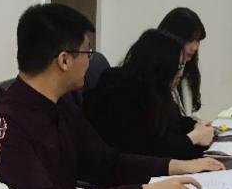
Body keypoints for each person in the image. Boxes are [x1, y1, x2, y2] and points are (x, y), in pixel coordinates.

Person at [0, 4, 223, 189]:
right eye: (87, 52)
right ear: (64, 60)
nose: (89, 60)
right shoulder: (9, 124)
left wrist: (176, 166)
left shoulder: (61, 104)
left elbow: (105, 162)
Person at [85, 29, 214, 159]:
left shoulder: (155, 88)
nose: (181, 73)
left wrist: (196, 126)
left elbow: (174, 121)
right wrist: (193, 137)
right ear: (161, 66)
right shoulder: (120, 94)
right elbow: (148, 149)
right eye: (179, 66)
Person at [158, 7, 207, 119]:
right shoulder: (155, 79)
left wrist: (199, 124)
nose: (195, 47)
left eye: (198, 40)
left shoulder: (187, 73)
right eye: (190, 40)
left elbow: (189, 115)